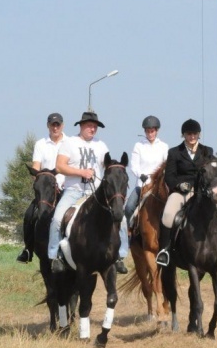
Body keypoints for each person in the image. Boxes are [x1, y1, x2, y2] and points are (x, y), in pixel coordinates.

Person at [48, 110, 128, 274]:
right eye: (90, 126)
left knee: (123, 219)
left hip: (96, 194)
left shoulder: (101, 145)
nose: (92, 129)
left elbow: (108, 168)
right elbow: (60, 166)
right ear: (82, 126)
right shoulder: (69, 143)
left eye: (95, 127)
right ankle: (55, 256)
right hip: (73, 190)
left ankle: (120, 256)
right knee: (57, 219)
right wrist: (81, 172)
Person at [156, 118, 217, 268]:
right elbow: (169, 176)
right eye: (189, 133)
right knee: (168, 215)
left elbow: (213, 172)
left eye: (195, 133)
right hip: (181, 192)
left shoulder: (207, 151)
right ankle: (165, 251)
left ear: (199, 134)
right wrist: (179, 185)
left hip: (203, 193)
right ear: (183, 135)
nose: (192, 136)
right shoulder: (175, 152)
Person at [17, 112, 67, 262]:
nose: (55, 127)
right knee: (29, 214)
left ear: (62, 125)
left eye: (58, 124)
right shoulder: (40, 144)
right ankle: (28, 249)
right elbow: (36, 166)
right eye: (53, 124)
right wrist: (39, 178)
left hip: (66, 187)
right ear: (48, 126)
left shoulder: (70, 142)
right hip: (46, 190)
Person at [124, 115, 169, 228]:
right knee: (129, 208)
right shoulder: (139, 146)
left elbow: (166, 165)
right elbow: (134, 165)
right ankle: (129, 232)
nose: (150, 134)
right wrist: (141, 175)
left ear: (157, 131)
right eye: (148, 131)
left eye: (152, 131)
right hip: (142, 185)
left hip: (158, 185)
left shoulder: (164, 147)